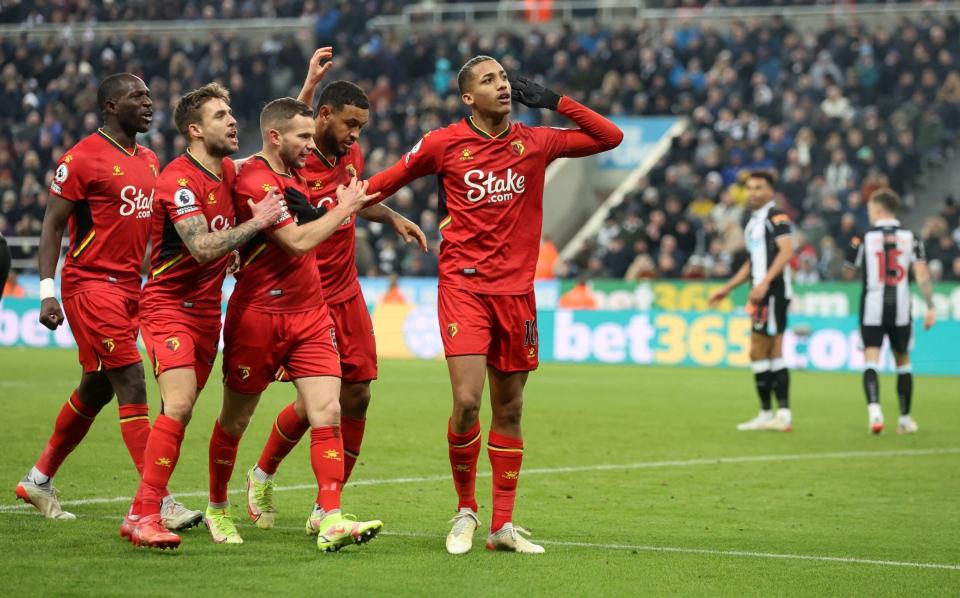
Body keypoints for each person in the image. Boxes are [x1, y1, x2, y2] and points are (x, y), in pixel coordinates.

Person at [368, 56, 623, 554]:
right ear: (468, 98)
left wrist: (554, 100)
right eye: (489, 81)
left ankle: (501, 527)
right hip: (463, 289)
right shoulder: (443, 143)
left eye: (505, 78)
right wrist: (338, 202)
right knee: (467, 401)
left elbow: (609, 136)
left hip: (517, 296)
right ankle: (466, 509)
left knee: (511, 407)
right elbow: (386, 180)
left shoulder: (536, 141)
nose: (503, 86)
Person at [244, 49, 427, 534]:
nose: (355, 136)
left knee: (359, 395)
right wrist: (306, 86)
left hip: (347, 293)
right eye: (349, 124)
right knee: (315, 405)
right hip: (306, 296)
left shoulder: (349, 154)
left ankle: (329, 505)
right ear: (323, 116)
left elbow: (353, 200)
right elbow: (280, 132)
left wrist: (392, 216)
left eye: (362, 128)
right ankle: (263, 475)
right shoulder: (294, 161)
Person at [16, 74, 198, 530]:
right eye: (137, 96)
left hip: (130, 290)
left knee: (95, 388)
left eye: (150, 94)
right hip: (89, 286)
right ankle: (158, 501)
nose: (149, 101)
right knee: (132, 382)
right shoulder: (80, 159)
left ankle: (38, 479)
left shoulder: (150, 159)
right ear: (111, 106)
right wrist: (46, 291)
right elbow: (52, 227)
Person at [205, 97, 383, 552]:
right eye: (302, 138)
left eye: (311, 135)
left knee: (328, 411)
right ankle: (218, 508)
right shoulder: (256, 180)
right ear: (275, 137)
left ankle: (331, 516)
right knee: (235, 419)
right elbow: (297, 242)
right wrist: (345, 207)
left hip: (310, 313)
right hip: (259, 316)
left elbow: (287, 116)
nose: (311, 145)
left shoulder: (294, 172)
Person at [119, 83, 284, 548]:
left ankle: (139, 512)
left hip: (209, 314)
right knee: (181, 403)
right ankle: (148, 515)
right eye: (220, 116)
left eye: (232, 113)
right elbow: (200, 244)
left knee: (181, 413)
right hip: (168, 308)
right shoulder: (178, 178)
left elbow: (281, 134)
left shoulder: (231, 171)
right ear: (195, 130)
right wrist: (254, 224)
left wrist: (308, 84)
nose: (232, 121)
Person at [843, 188, 936, 434]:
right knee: (903, 361)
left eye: (870, 208)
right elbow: (923, 274)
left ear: (878, 209)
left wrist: (852, 256)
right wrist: (931, 307)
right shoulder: (912, 237)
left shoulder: (864, 236)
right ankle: (905, 419)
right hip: (902, 310)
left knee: (871, 359)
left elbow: (848, 271)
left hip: (872, 308)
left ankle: (875, 412)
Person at [709, 171, 795, 432]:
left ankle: (778, 413)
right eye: (749, 188)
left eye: (759, 187)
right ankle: (771, 413)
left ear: (770, 190)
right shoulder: (753, 221)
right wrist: (726, 289)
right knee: (762, 351)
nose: (753, 192)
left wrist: (765, 282)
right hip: (761, 291)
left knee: (767, 349)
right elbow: (751, 263)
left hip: (772, 291)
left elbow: (787, 251)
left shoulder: (775, 216)